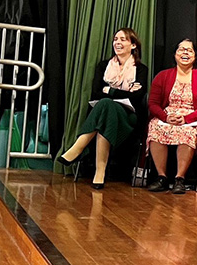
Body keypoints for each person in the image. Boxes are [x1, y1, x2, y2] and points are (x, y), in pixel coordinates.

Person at [57, 28, 148, 188]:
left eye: (123, 39)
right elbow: (96, 92)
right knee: (106, 107)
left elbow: (137, 96)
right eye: (115, 39)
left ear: (133, 45)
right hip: (107, 112)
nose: (117, 43)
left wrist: (110, 90)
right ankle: (100, 172)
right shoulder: (104, 66)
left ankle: (79, 147)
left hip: (128, 115)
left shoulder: (140, 69)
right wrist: (123, 92)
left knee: (105, 104)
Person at [145, 39, 197, 194]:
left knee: (188, 133)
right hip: (166, 117)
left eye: (189, 50)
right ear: (175, 54)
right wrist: (165, 117)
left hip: (192, 119)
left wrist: (186, 119)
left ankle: (179, 179)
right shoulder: (162, 76)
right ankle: (161, 177)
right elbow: (153, 103)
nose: (185, 53)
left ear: (195, 56)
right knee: (155, 127)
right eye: (181, 49)